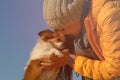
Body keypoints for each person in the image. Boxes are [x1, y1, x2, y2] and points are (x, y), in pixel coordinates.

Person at [38, 0, 120, 80]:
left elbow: (115, 70)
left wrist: (71, 60)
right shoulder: (79, 36)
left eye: (63, 29)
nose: (62, 35)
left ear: (75, 15)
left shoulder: (108, 17)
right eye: (56, 30)